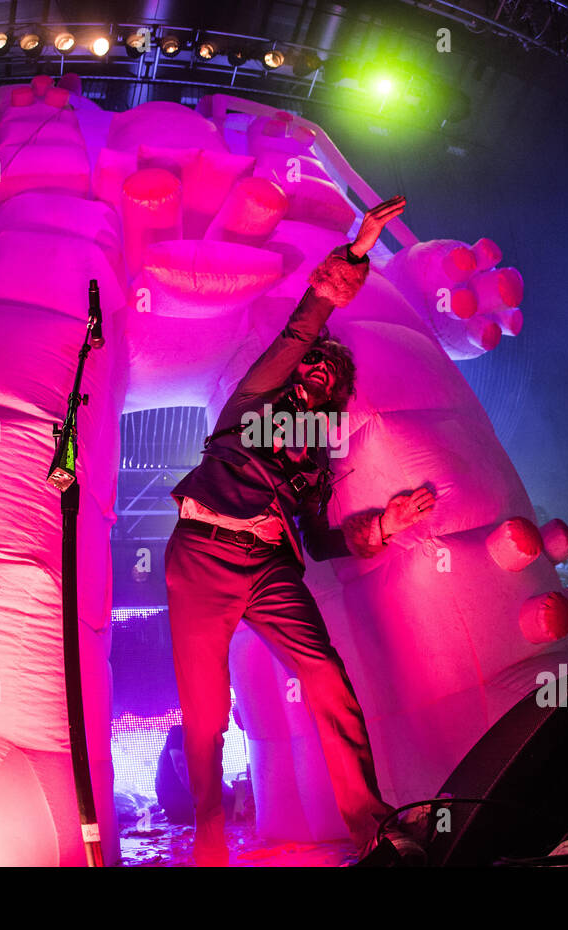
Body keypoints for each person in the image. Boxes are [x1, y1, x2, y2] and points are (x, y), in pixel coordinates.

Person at [165, 196, 435, 865]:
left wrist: (383, 526)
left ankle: (370, 826)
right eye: (313, 364)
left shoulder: (315, 460)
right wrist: (358, 248)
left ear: (335, 395)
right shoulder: (253, 400)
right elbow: (301, 327)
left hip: (268, 569)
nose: (317, 371)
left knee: (327, 678)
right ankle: (208, 840)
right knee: (205, 713)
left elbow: (319, 542)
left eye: (329, 374)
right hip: (201, 552)